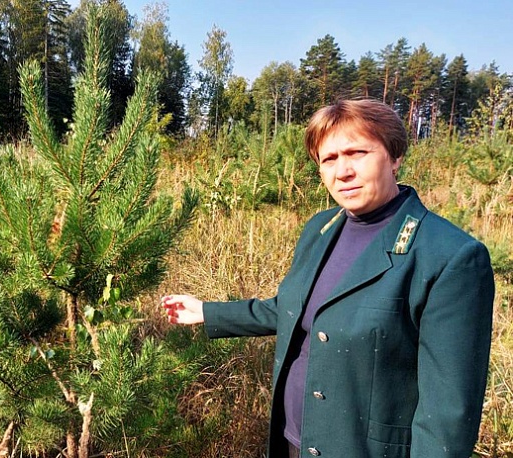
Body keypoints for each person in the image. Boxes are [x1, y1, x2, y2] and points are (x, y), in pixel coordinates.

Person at [162, 99, 494, 458]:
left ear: (394, 156)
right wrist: (207, 312)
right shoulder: (321, 227)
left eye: (357, 153)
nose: (343, 171)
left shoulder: (448, 256)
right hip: (295, 442)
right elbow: (293, 309)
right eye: (329, 159)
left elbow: (448, 413)